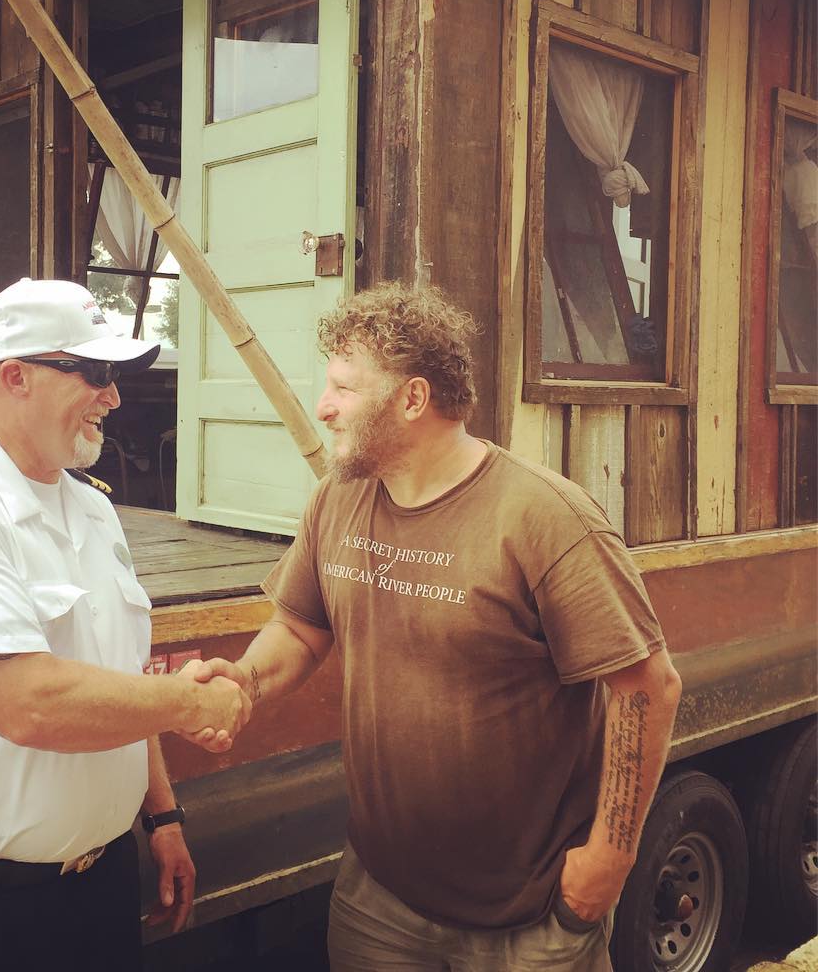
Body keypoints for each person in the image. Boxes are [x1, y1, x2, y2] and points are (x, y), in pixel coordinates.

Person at [190, 282, 682, 971]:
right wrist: (241, 682)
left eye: (342, 389)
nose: (323, 408)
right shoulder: (339, 498)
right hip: (380, 900)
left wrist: (610, 858)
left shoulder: (542, 517)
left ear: (412, 399)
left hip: (531, 916)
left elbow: (646, 685)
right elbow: (301, 630)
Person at [0, 277, 252, 972]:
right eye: (95, 372)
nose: (114, 396)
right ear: (16, 377)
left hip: (99, 888)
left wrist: (161, 817)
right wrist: (193, 702)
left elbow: (117, 680)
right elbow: (29, 704)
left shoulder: (94, 508)